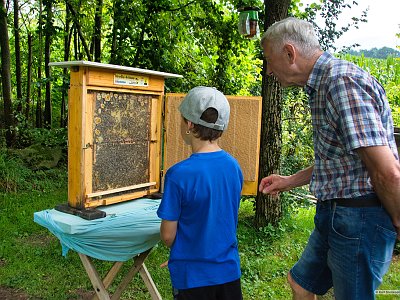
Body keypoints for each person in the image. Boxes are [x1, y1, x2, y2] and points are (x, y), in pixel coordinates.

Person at [258, 17, 400, 300]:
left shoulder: (340, 83)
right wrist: (289, 181)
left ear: (289, 53)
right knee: (301, 284)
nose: (269, 71)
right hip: (336, 214)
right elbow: (340, 159)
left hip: (359, 217)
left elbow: (387, 171)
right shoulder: (321, 85)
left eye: (270, 61)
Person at [157, 86, 244, 300]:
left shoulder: (178, 174)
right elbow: (219, 220)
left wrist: (182, 254)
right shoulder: (234, 167)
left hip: (192, 277)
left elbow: (168, 236)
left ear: (189, 124)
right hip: (228, 273)